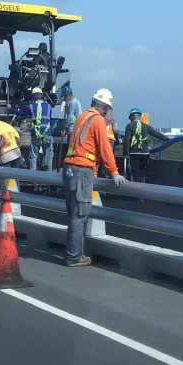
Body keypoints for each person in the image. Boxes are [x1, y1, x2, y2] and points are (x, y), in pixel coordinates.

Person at [62, 88, 127, 267]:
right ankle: (73, 257)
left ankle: (74, 253)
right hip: (81, 170)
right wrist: (114, 173)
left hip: (69, 168)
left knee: (73, 215)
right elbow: (105, 149)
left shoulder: (82, 117)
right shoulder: (98, 120)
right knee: (79, 215)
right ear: (105, 108)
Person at [6, 87, 54, 172]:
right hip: (47, 135)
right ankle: (49, 178)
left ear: (33, 96)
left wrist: (10, 108)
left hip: (35, 135)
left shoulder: (30, 107)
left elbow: (20, 113)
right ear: (42, 96)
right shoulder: (49, 106)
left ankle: (33, 178)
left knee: (33, 157)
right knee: (48, 157)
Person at [123, 107, 168, 183]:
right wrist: (167, 139)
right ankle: (142, 187)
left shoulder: (129, 126)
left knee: (134, 174)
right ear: (139, 116)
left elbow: (126, 141)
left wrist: (125, 155)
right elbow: (156, 134)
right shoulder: (146, 126)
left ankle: (135, 190)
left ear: (131, 117)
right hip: (145, 153)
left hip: (134, 153)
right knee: (142, 173)